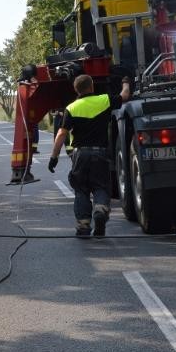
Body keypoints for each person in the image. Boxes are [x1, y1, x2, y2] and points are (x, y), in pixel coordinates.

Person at [48, 74, 131, 237]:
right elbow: (125, 96)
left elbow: (61, 134)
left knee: (81, 190)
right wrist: (125, 82)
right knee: (100, 187)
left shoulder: (71, 108)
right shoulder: (104, 100)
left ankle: (83, 225)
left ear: (75, 90)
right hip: (100, 154)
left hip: (79, 155)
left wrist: (54, 157)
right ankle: (100, 209)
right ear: (92, 86)